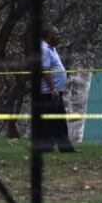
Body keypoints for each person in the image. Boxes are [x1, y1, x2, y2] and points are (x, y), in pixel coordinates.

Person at [38, 25, 77, 153]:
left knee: (58, 121)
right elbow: (45, 71)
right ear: (49, 36)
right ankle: (48, 147)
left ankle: (64, 147)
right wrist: (53, 89)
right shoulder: (44, 49)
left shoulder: (51, 48)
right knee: (51, 121)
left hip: (55, 92)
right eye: (57, 34)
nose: (59, 37)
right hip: (49, 93)